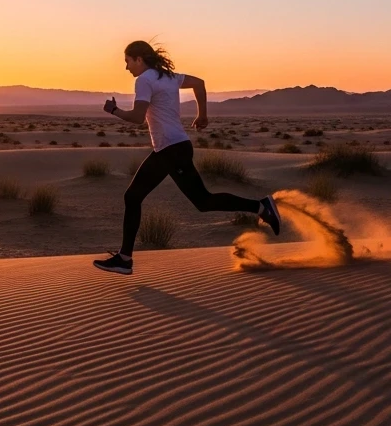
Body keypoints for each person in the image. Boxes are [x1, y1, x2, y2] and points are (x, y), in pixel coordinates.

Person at [93, 40, 281, 275]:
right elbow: (199, 83)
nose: (127, 68)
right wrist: (203, 115)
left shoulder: (144, 80)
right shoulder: (168, 77)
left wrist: (113, 110)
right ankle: (261, 207)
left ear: (138, 59)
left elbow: (138, 117)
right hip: (174, 147)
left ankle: (125, 259)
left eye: (128, 62)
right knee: (198, 201)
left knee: (139, 197)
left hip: (171, 149)